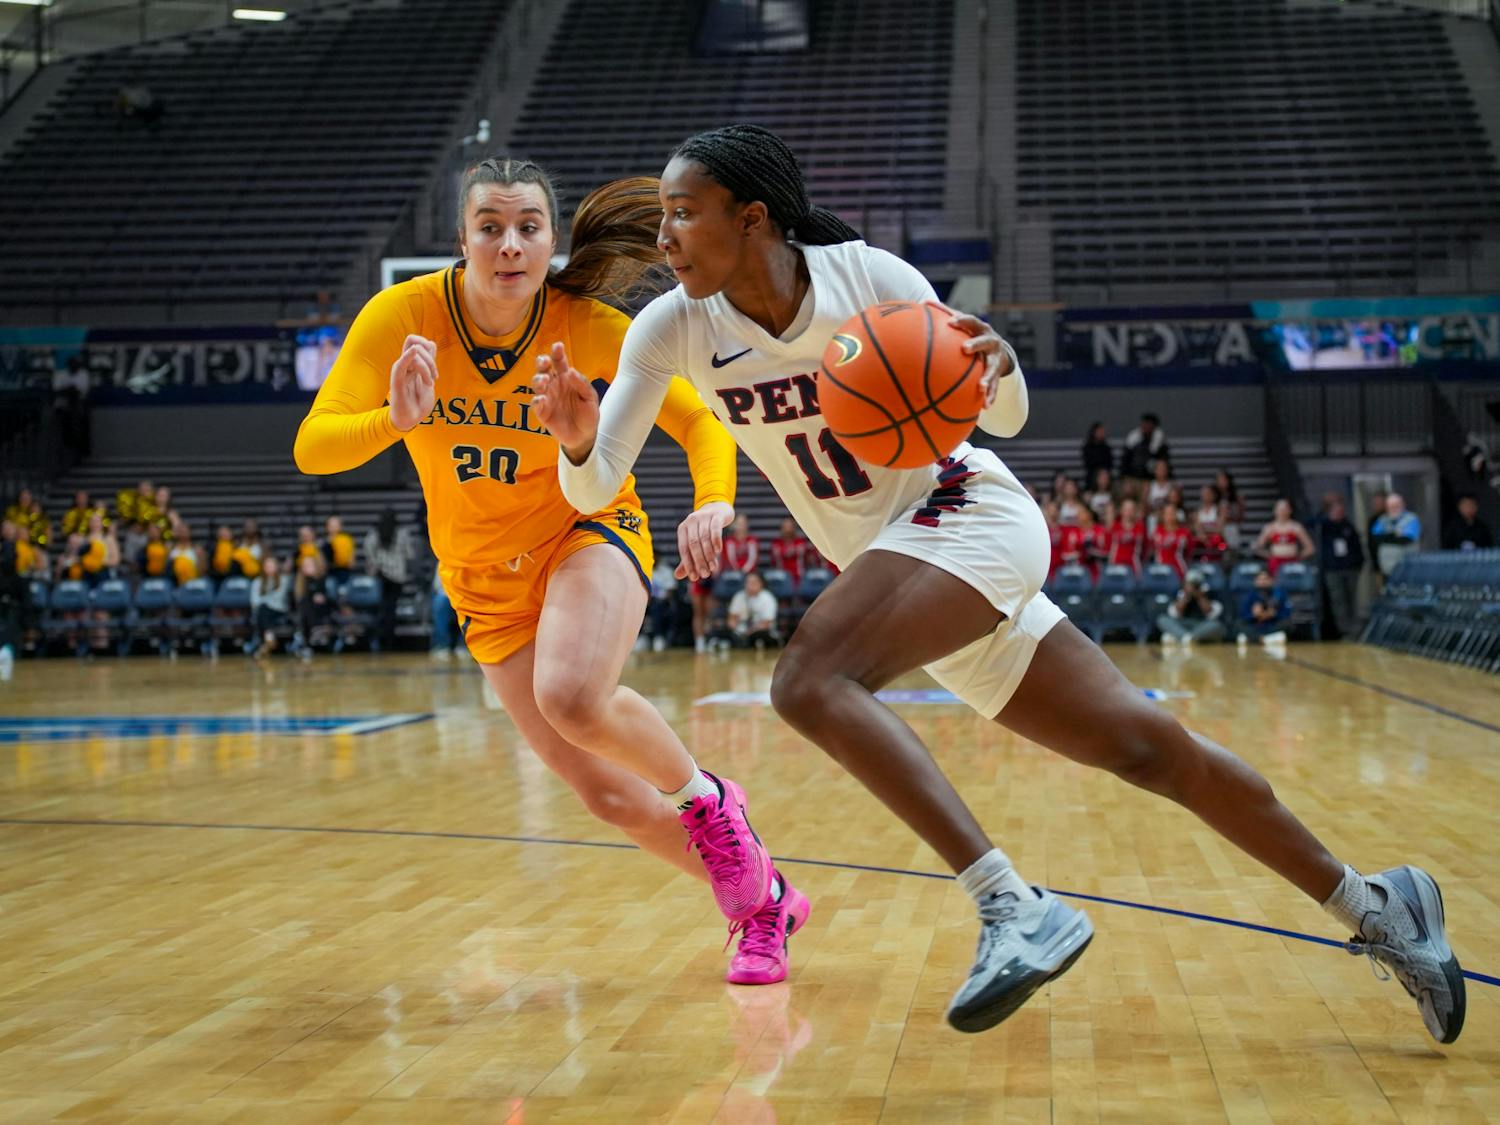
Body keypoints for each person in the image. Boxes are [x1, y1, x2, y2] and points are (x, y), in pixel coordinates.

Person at [538, 123, 1465, 1041]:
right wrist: (577, 437)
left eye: (681, 214)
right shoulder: (671, 330)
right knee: (1150, 749)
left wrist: (1002, 360)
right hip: (902, 568)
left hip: (968, 511)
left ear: (752, 218)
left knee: (808, 681)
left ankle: (1010, 905)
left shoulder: (870, 279)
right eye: (659, 216)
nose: (663, 238)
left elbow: (1006, 415)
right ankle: (1381, 905)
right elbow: (591, 484)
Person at [294, 159, 799, 985]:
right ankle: (765, 901)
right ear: (460, 241)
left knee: (572, 695)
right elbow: (311, 447)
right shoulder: (404, 316)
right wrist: (396, 418)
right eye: (489, 226)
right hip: (480, 580)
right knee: (607, 798)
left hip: (586, 530)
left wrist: (713, 500)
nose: (509, 243)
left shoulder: (586, 324)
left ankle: (710, 800)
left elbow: (701, 422)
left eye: (528, 226)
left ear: (551, 241)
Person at [1316, 495, 1365, 640]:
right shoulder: (1325, 525)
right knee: (1338, 600)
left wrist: (1358, 563)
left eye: (1340, 510)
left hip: (1350, 568)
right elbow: (1313, 521)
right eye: (1335, 510)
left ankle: (1354, 628)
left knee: (1352, 599)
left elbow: (1357, 547)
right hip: (1333, 569)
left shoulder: (1348, 526)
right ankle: (1343, 629)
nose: (1338, 513)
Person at [363, 509, 412, 648]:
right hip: (397, 577)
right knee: (391, 608)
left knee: (379, 608)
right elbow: (410, 555)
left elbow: (368, 555)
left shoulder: (373, 534)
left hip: (380, 576)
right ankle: (389, 640)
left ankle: (377, 638)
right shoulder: (402, 534)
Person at [1157, 568, 1225, 646]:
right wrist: (1186, 596)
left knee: (1216, 625)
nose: (1193, 587)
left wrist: (1199, 596)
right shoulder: (1180, 592)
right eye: (1191, 584)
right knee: (1162, 619)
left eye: (1196, 584)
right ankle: (1188, 638)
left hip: (1201, 624)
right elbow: (1175, 613)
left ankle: (1182, 637)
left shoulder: (1209, 593)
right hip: (1182, 623)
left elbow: (1210, 613)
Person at [1255, 499, 1315, 577]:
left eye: (1285, 509)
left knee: (1291, 585)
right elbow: (1258, 548)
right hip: (1276, 563)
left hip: (1292, 562)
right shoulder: (1270, 528)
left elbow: (1310, 548)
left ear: (1290, 510)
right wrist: (1270, 556)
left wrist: (1298, 557)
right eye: (1280, 509)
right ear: (1275, 511)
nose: (1282, 512)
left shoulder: (1296, 527)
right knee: (1278, 585)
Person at [723, 570, 780, 649]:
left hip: (759, 631)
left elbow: (766, 623)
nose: (750, 585)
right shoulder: (739, 596)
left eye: (753, 582)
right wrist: (735, 630)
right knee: (726, 634)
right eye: (748, 582)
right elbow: (731, 619)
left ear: (761, 584)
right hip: (741, 631)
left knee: (759, 636)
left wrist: (749, 632)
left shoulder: (768, 598)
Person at [250, 556, 293, 657]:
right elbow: (254, 600)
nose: (269, 568)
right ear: (263, 568)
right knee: (262, 610)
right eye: (267, 566)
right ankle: (268, 641)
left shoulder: (284, 580)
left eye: (272, 566)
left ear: (277, 567)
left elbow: (279, 598)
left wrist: (265, 601)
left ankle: (266, 642)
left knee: (263, 610)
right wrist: (264, 603)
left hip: (279, 609)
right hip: (262, 610)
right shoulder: (257, 581)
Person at [1371, 492, 1421, 578]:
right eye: (1391, 506)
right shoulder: (1382, 520)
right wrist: (1394, 535)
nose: (1394, 509)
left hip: (1407, 568)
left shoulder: (1412, 519)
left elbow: (1405, 540)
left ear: (1403, 505)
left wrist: (1386, 536)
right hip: (1387, 568)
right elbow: (1376, 538)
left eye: (1396, 506)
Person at [1237, 569, 1290, 648]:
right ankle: (1265, 639)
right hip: (1255, 625)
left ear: (1272, 581)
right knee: (1238, 623)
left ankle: (1254, 638)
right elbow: (1243, 614)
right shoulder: (1249, 595)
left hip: (1271, 625)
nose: (1263, 582)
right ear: (1255, 581)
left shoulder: (1279, 594)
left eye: (1266, 579)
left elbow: (1286, 613)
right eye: (1260, 579)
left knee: (1288, 623)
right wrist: (1254, 615)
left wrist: (1273, 614)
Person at [1120, 413, 1168, 480]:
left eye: (1149, 424)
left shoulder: (1160, 442)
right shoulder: (1133, 439)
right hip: (1134, 477)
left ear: (1153, 426)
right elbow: (1125, 461)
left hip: (1152, 479)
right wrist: (1123, 477)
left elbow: (1163, 462)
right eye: (1144, 424)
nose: (1146, 426)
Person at [1149, 502, 1191, 579]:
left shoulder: (1184, 532)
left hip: (1178, 570)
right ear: (1163, 516)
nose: (1170, 516)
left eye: (1172, 513)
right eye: (1167, 513)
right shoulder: (1157, 531)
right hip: (1160, 569)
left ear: (1176, 515)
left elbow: (1189, 552)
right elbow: (1152, 548)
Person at [1108, 497, 1147, 574]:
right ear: (1121, 511)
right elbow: (1108, 546)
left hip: (1134, 566)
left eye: (1131, 510)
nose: (1128, 512)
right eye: (1126, 509)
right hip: (1116, 564)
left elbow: (1145, 548)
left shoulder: (1141, 528)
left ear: (1135, 511)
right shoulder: (1115, 527)